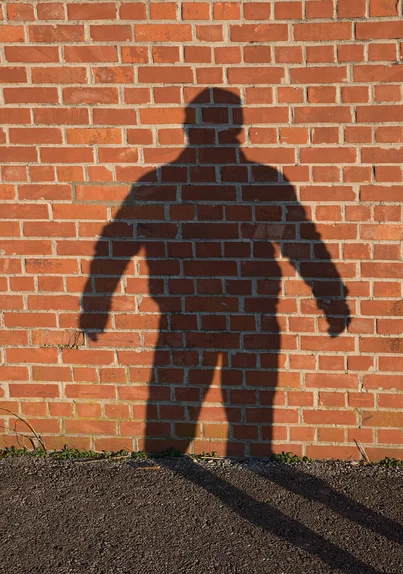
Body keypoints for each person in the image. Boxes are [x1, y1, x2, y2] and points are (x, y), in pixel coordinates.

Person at [80, 87, 350, 455]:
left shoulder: (158, 186)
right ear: (237, 128)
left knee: (176, 416)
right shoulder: (263, 184)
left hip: (191, 317)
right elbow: (302, 244)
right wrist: (331, 298)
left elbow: (116, 245)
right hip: (244, 315)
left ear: (189, 128)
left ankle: (176, 481)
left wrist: (96, 304)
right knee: (247, 419)